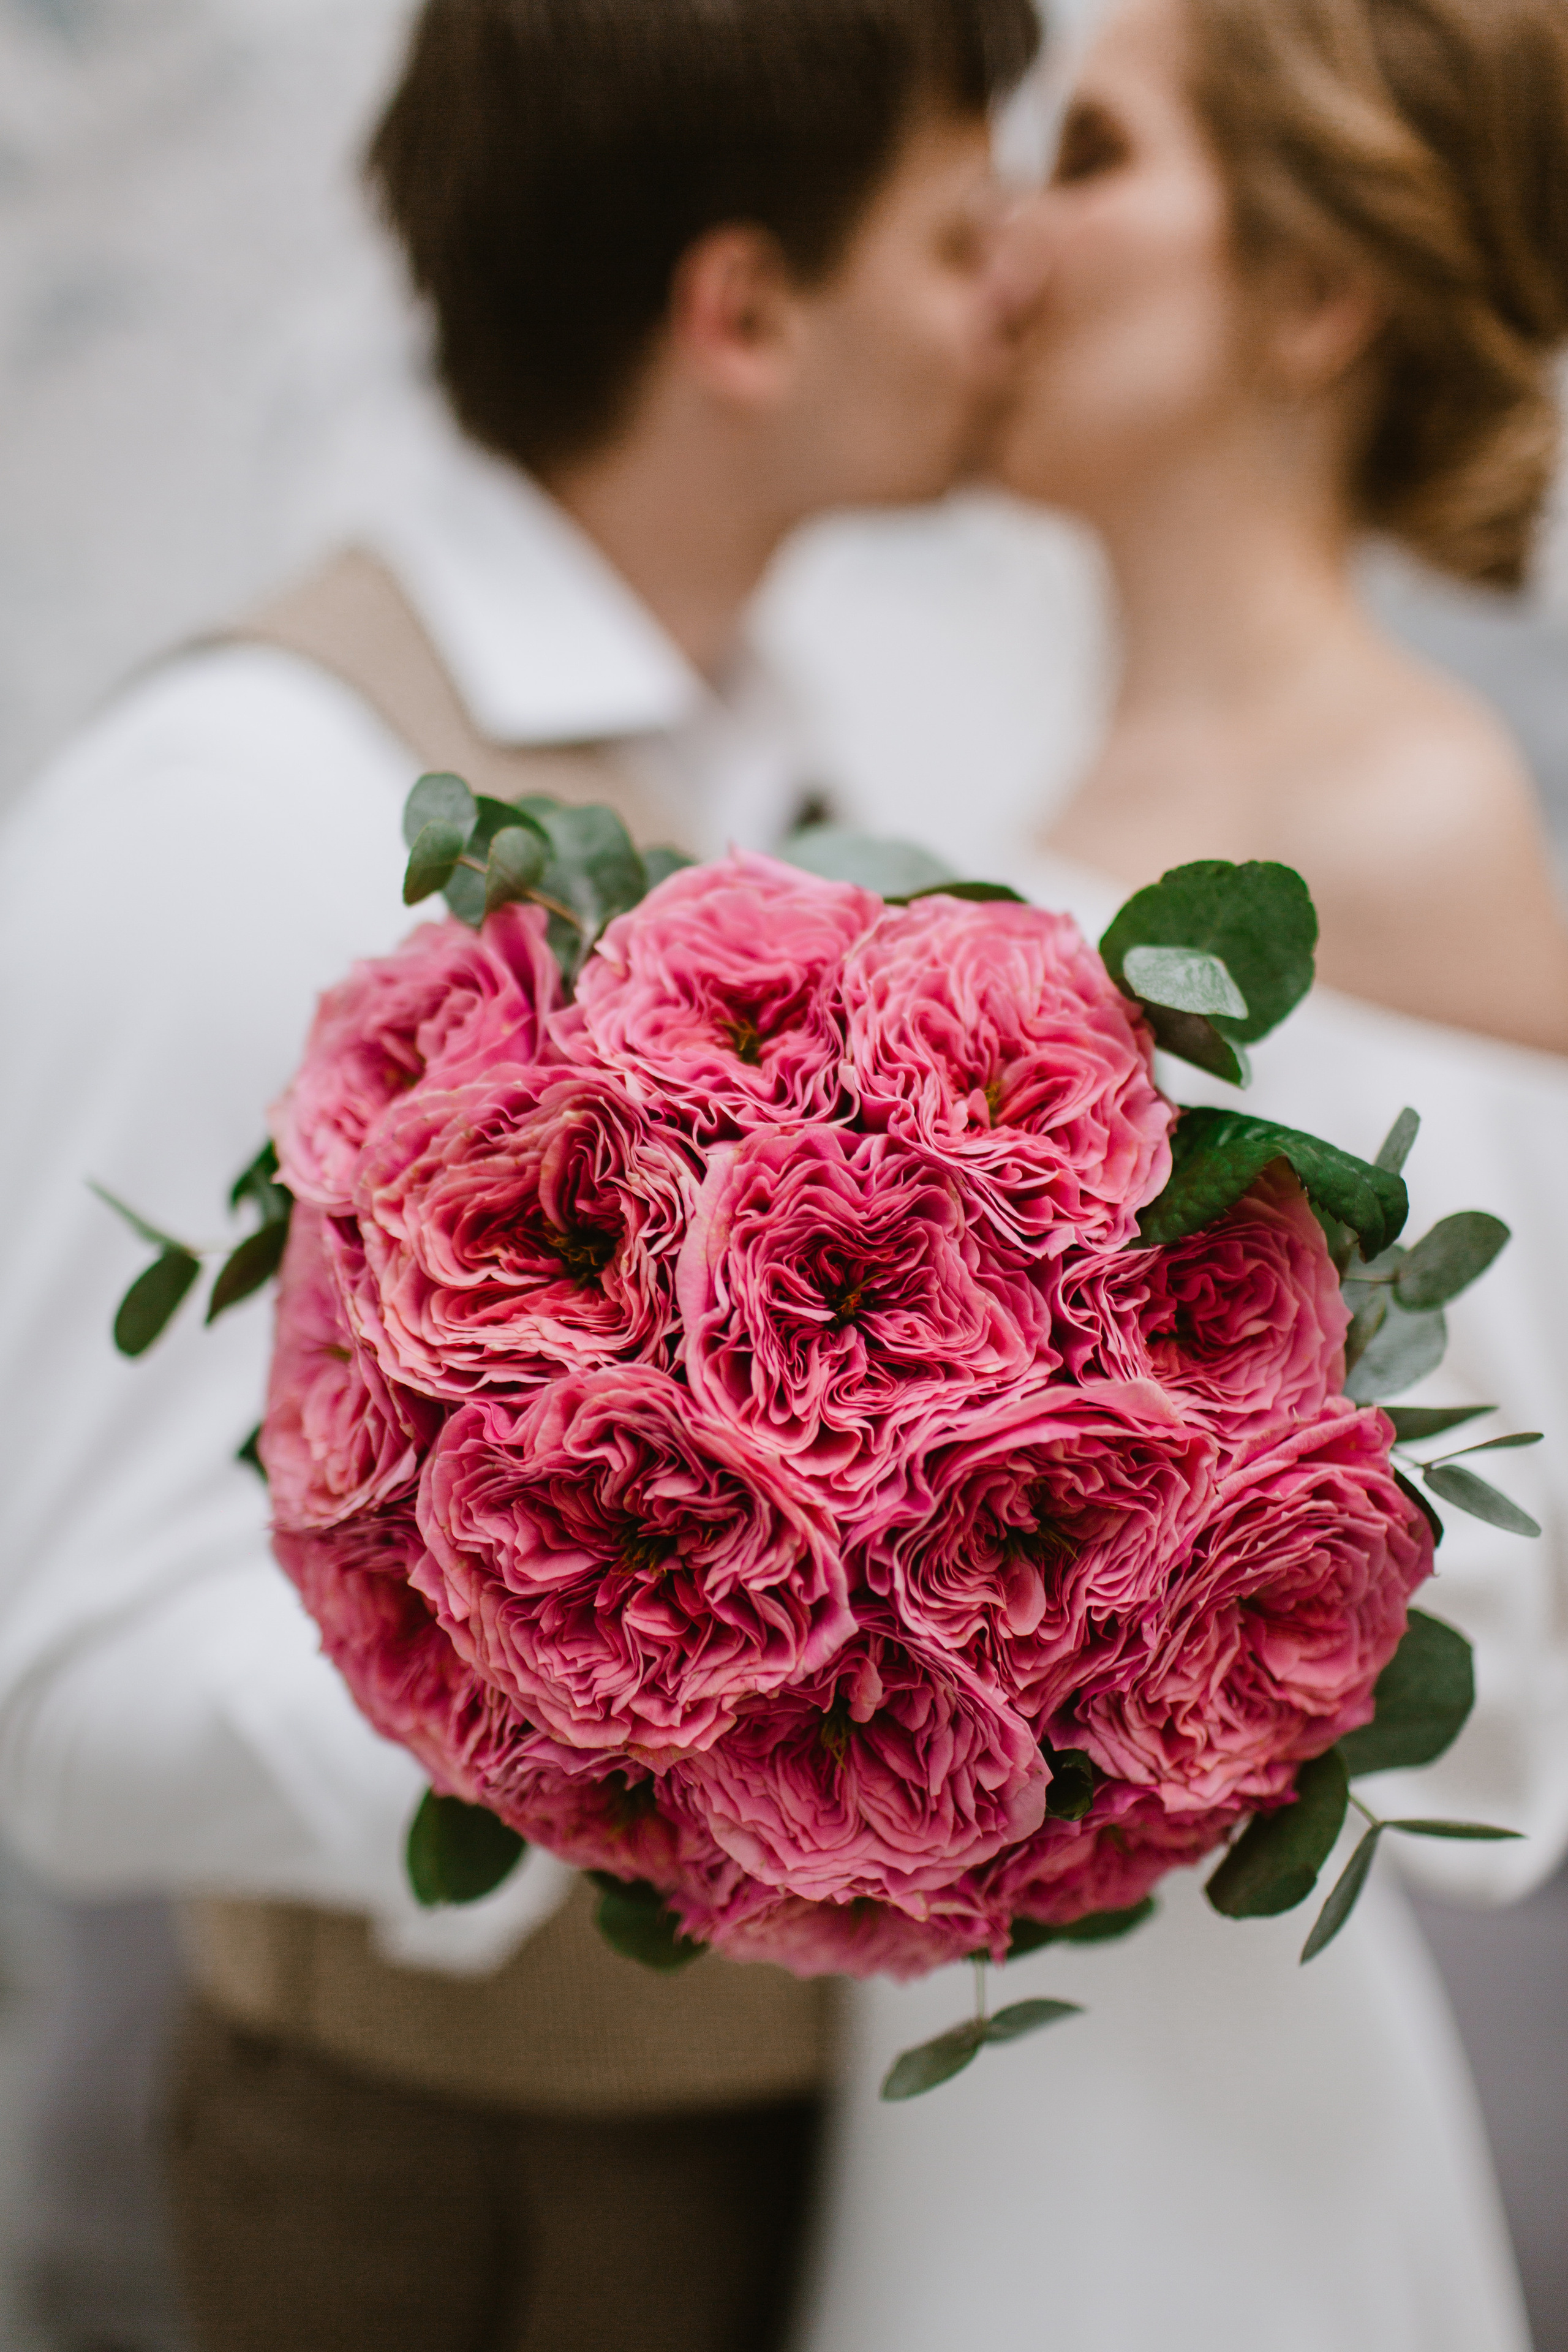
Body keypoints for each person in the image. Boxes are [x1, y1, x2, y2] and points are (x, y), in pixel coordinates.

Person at [0, 3, 1040, 2347]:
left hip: (799, 2155)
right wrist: (662, 1696)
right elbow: (60, 1704)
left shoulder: (786, 757)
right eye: (961, 236)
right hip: (446, 2200)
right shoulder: (242, 800)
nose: (1020, 293)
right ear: (743, 314)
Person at [795, 3, 1568, 2348]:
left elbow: (1501, 1620)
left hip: (1201, 2103)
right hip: (932, 2015)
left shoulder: (1417, 821)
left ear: (1313, 294)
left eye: (1097, 156)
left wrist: (1030, 1565)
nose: (1006, 235)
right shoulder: (991, 788)